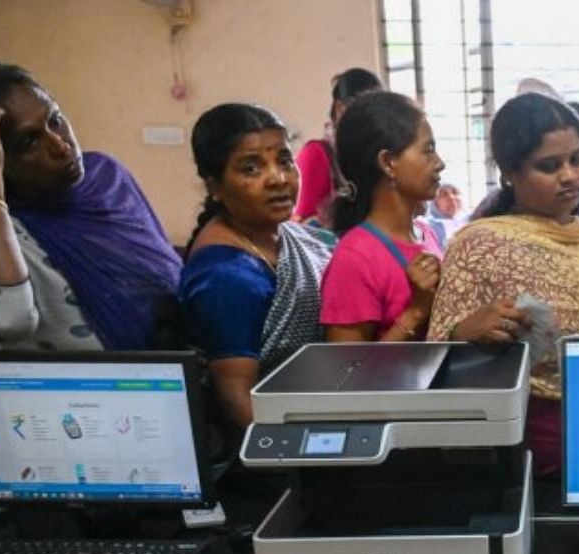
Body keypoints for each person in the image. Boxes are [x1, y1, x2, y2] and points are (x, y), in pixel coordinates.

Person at [428, 93, 579, 479]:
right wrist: (467, 331)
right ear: (511, 172)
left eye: (576, 158)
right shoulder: (478, 244)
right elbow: (435, 357)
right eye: (549, 166)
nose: (569, 175)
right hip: (530, 453)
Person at [0, 59, 180, 351]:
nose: (60, 145)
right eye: (29, 142)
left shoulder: (106, 176)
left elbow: (166, 273)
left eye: (55, 119)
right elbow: (5, 321)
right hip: (83, 390)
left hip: (174, 365)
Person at [179, 103, 333, 428]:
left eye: (284, 160)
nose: (277, 179)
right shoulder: (226, 275)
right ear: (214, 187)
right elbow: (238, 401)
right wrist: (290, 463)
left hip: (310, 418)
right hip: (270, 449)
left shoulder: (292, 237)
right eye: (251, 168)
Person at [320, 92, 445, 343]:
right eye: (428, 151)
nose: (440, 163)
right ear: (388, 163)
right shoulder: (354, 259)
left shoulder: (425, 232)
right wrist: (416, 312)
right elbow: (349, 373)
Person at [293, 67, 383, 227]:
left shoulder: (372, 156)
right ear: (341, 108)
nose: (374, 120)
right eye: (367, 111)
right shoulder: (316, 154)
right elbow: (300, 224)